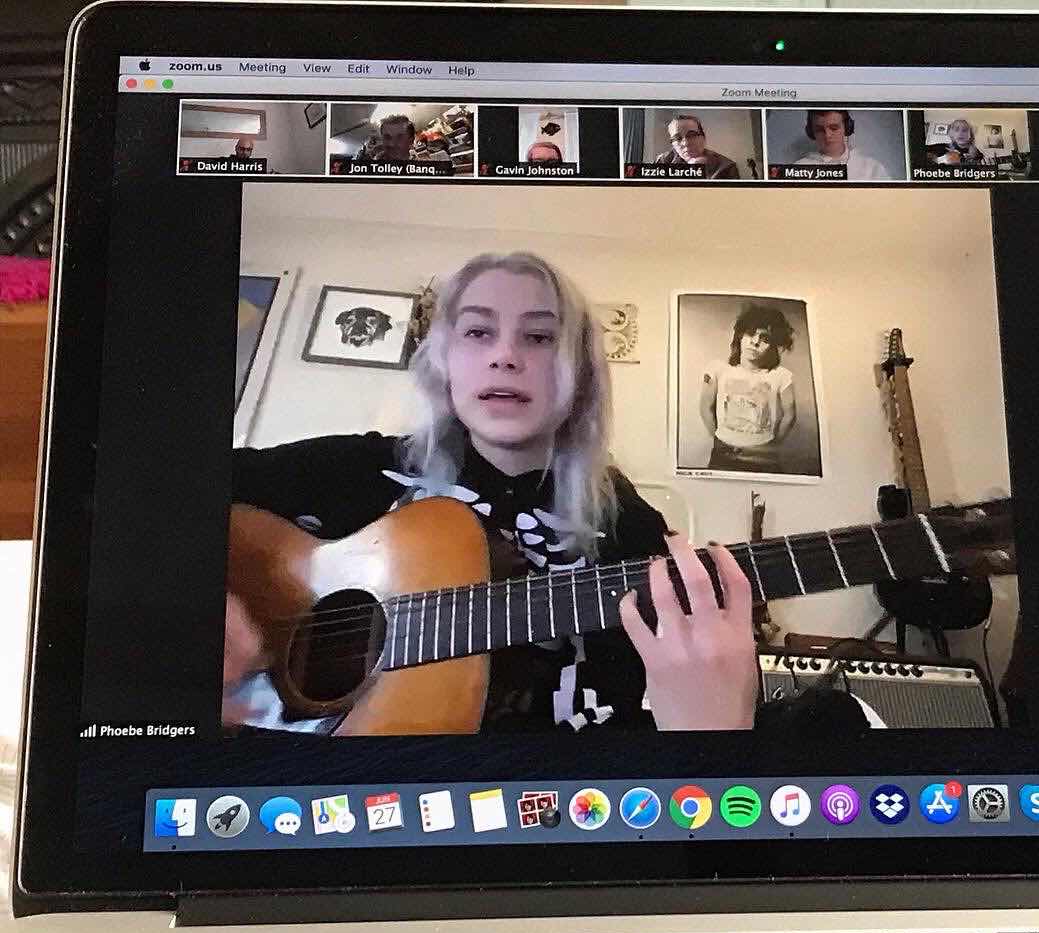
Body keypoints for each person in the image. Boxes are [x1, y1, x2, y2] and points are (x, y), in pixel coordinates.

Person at [224, 252, 759, 735]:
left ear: (581, 374)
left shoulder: (627, 526)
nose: (504, 356)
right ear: (443, 362)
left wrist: (713, 730)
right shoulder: (354, 468)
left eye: (540, 337)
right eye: (478, 332)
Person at [700, 304, 798, 474]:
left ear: (773, 345)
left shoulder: (781, 375)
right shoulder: (717, 369)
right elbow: (705, 406)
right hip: (724, 456)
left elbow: (790, 415)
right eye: (750, 334)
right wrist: (719, 439)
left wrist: (772, 445)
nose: (755, 342)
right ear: (740, 335)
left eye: (765, 339)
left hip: (763, 458)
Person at [792, 110, 891, 180]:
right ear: (811, 132)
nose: (827, 135)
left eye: (834, 128)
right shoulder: (798, 169)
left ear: (847, 128)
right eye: (819, 130)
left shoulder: (873, 168)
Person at [653, 114, 739, 179]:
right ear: (673, 144)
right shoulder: (663, 161)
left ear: (703, 138)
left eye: (692, 135)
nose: (685, 143)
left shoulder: (726, 167)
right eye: (677, 138)